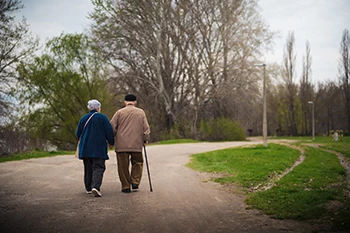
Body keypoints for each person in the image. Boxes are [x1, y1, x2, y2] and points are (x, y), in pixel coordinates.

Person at [110, 94, 151, 193]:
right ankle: (135, 181)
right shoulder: (141, 112)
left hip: (121, 144)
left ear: (125, 102)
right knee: (138, 163)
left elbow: (111, 126)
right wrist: (145, 139)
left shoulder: (119, 113)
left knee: (122, 166)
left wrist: (111, 139)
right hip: (136, 144)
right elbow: (146, 128)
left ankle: (125, 186)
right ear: (135, 102)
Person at [76, 99, 114, 197]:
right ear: (98, 108)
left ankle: (88, 188)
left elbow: (78, 134)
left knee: (88, 167)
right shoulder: (103, 118)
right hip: (98, 147)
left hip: (85, 147)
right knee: (98, 167)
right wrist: (111, 142)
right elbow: (109, 131)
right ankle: (96, 187)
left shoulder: (83, 118)